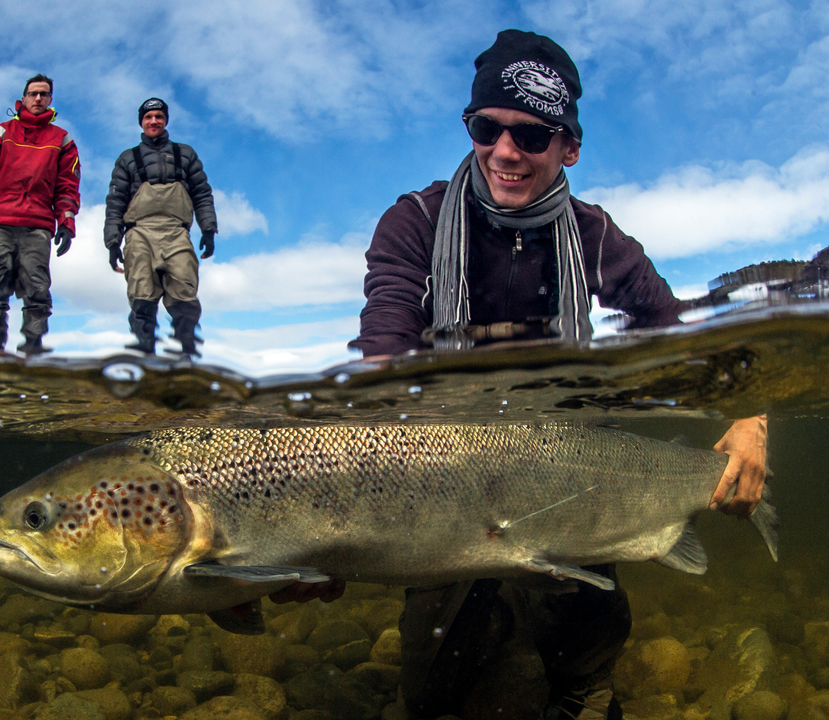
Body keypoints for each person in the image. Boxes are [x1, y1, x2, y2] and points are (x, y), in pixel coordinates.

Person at [285, 30, 769, 720]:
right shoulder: (414, 223)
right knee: (432, 695)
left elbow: (685, 340)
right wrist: (328, 530)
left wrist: (750, 420)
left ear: (569, 146)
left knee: (585, 663)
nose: (505, 152)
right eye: (488, 128)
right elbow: (383, 359)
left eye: (532, 136)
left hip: (570, 466)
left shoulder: (598, 237)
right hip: (446, 472)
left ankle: (582, 684)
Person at [0, 74, 81, 355]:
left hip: (37, 225)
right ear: (22, 98)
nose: (38, 99)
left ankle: (33, 347)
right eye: (33, 93)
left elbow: (68, 185)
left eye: (44, 94)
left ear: (50, 100)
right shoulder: (0, 133)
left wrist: (66, 222)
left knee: (38, 289)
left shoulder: (62, 140)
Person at [104, 97, 218, 356]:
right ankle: (146, 363)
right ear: (141, 122)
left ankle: (185, 363)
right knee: (142, 300)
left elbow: (202, 193)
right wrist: (112, 242)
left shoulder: (185, 153)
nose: (153, 121)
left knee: (185, 300)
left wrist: (209, 229)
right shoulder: (127, 158)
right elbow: (115, 203)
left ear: (165, 120)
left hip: (177, 232)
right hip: (138, 232)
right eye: (148, 117)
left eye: (158, 116)